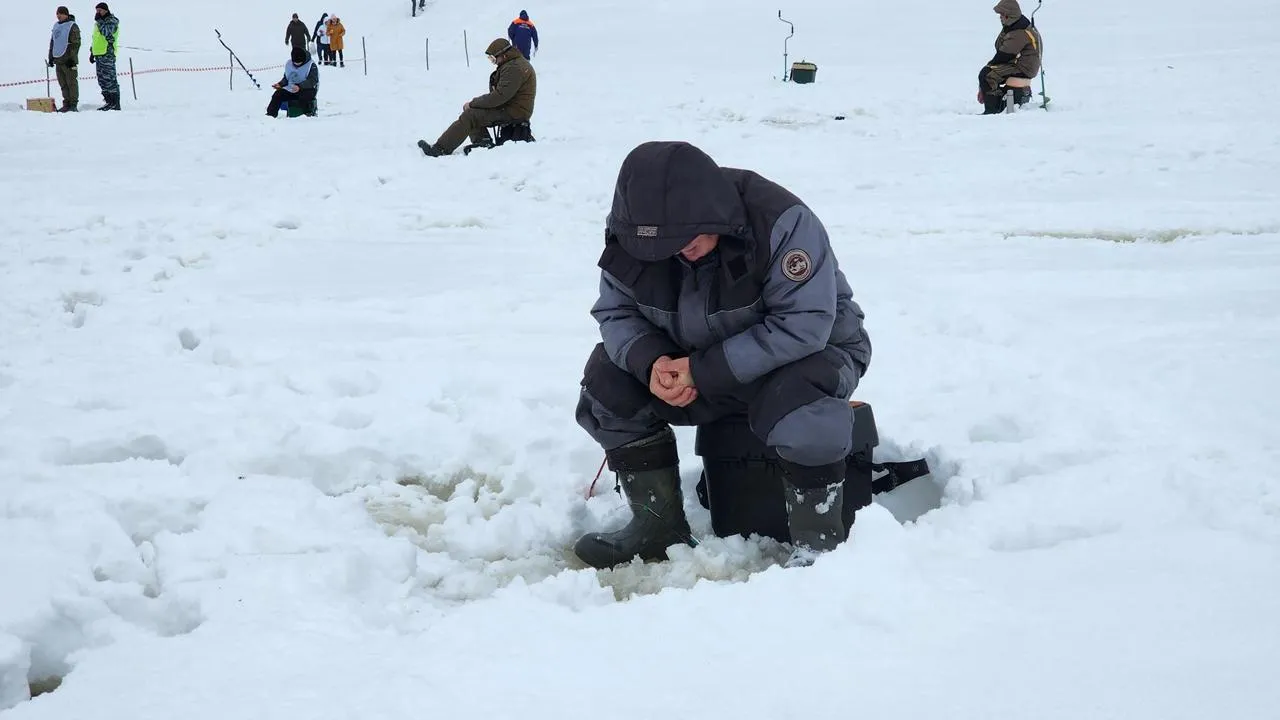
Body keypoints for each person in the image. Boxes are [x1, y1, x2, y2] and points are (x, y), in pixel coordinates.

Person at [571, 141, 873, 570]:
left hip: (811, 354)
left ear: (712, 212)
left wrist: (699, 370)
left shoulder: (781, 222)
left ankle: (819, 548)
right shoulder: (636, 232)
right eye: (664, 245)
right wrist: (652, 362)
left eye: (686, 238)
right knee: (607, 382)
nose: (677, 251)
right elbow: (615, 311)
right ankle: (658, 527)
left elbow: (804, 325)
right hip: (694, 363)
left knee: (803, 405)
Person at [417, 38, 536, 157]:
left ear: (504, 55)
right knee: (473, 112)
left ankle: (440, 149)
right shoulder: (514, 64)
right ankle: (482, 142)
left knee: (470, 115)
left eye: (494, 58)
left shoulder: (513, 68)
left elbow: (499, 96)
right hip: (512, 108)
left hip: (514, 112)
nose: (493, 62)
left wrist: (473, 103)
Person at [978, 0, 1042, 114]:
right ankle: (998, 104)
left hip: (1023, 67)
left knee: (986, 75)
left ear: (1009, 15)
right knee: (988, 72)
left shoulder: (1019, 32)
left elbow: (1004, 55)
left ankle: (992, 111)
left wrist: (984, 83)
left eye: (1002, 14)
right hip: (1019, 64)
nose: (1000, 17)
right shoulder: (1014, 25)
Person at [266, 47, 319, 118]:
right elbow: (287, 77)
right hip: (291, 89)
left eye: (299, 63)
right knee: (277, 95)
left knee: (304, 97)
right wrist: (280, 84)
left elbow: (313, 81)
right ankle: (270, 115)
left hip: (307, 89)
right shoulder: (289, 64)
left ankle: (307, 114)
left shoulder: (311, 65)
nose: (296, 64)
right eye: (295, 63)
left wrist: (299, 86)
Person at [48, 6, 81, 113]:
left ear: (66, 14)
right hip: (58, 60)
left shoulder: (72, 26)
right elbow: (53, 42)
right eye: (57, 13)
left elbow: (75, 44)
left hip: (68, 61)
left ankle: (73, 104)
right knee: (63, 84)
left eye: (60, 13)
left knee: (71, 83)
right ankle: (66, 104)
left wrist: (71, 58)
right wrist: (51, 57)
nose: (58, 16)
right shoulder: (56, 26)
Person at [89, 2, 120, 111]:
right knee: (102, 80)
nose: (98, 13)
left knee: (109, 79)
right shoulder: (98, 23)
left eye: (100, 10)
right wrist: (92, 52)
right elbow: (96, 38)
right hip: (99, 54)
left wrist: (99, 21)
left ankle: (115, 103)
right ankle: (108, 102)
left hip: (107, 54)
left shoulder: (111, 21)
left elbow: (106, 32)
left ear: (106, 10)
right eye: (96, 10)